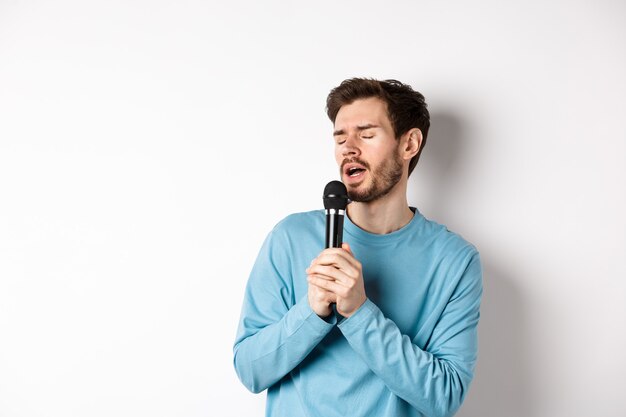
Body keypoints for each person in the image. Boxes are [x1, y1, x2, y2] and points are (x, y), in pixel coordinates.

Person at [233, 78, 482, 417]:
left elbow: (444, 397)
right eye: (340, 137)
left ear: (409, 144)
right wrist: (312, 310)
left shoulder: (455, 261)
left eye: (366, 134)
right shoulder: (290, 237)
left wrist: (359, 312)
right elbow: (250, 371)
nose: (348, 147)